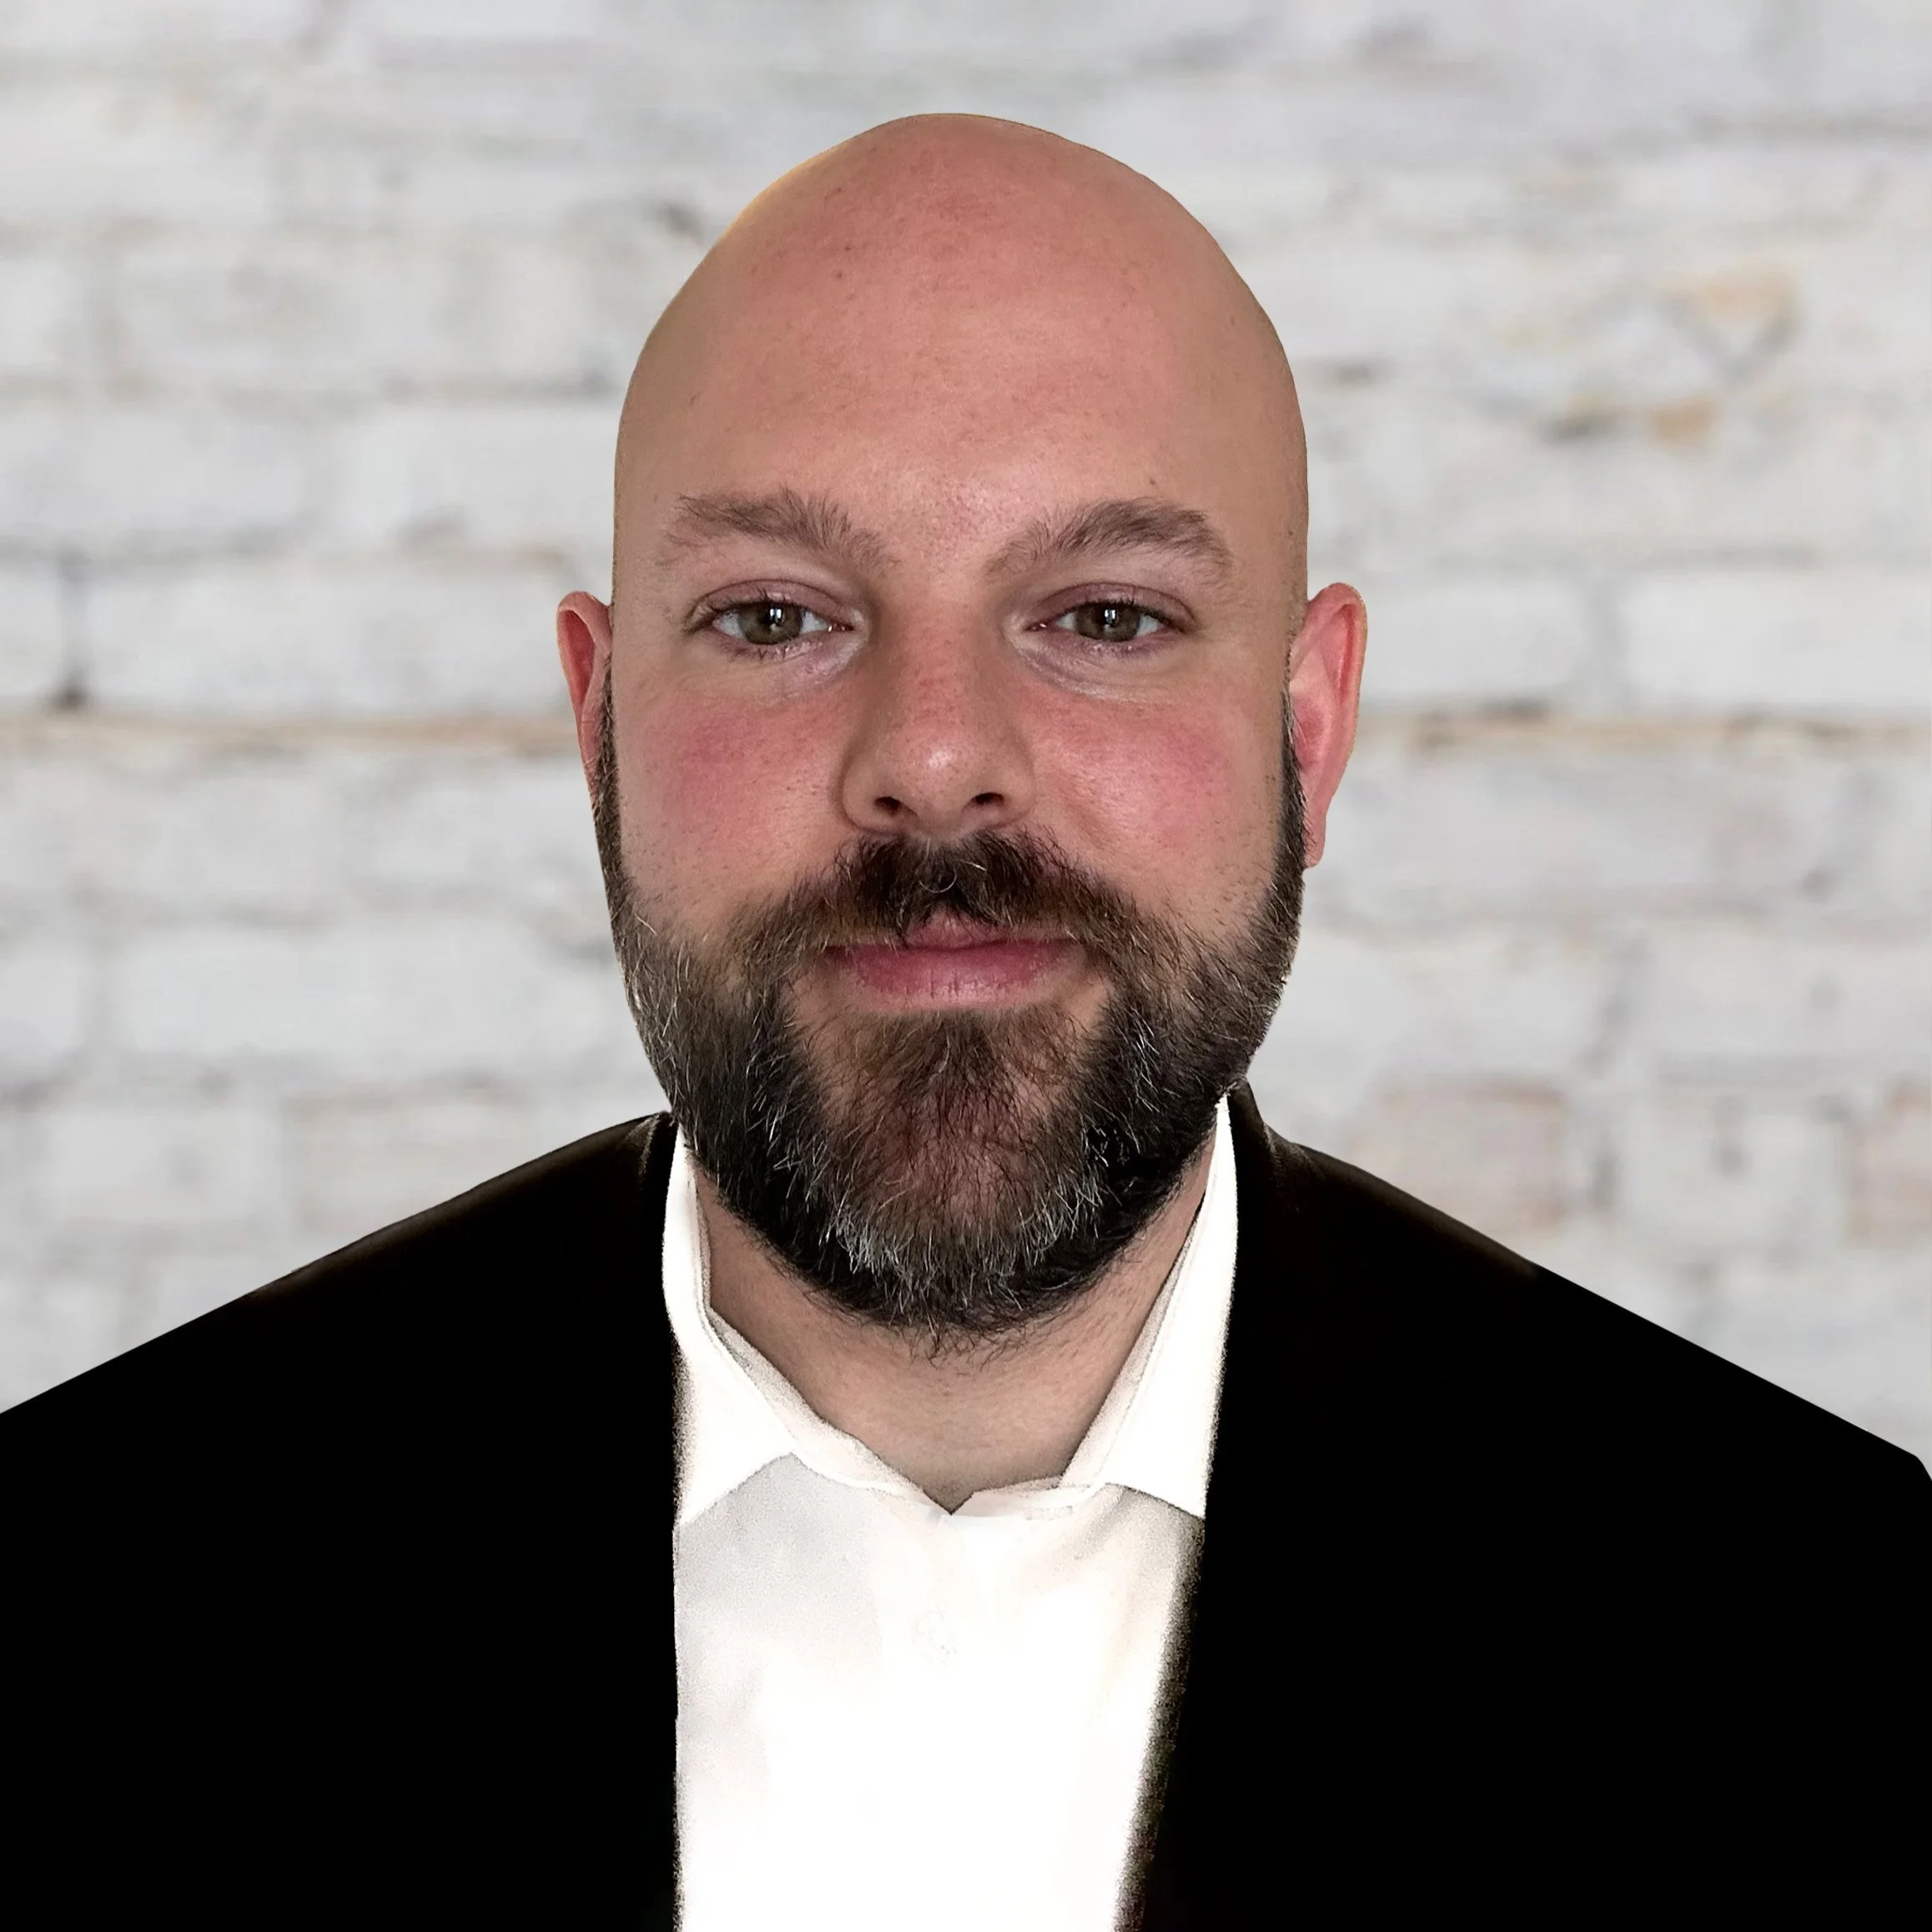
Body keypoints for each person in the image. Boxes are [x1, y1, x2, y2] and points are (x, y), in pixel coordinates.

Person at [8, 116, 1924, 1929]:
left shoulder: (1811, 1627)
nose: (933, 763)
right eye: (777, 619)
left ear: (1308, 728)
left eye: (1103, 617)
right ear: (599, 730)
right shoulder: (97, 1581)